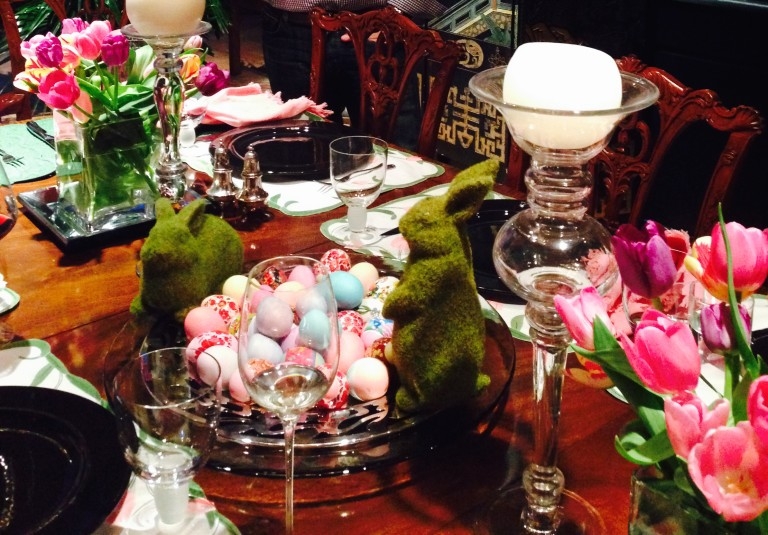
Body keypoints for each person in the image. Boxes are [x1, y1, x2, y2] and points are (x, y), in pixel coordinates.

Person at [259, 0, 452, 150]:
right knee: (299, 150)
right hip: (289, 28)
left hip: (377, 27)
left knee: (396, 154)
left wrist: (400, 14)